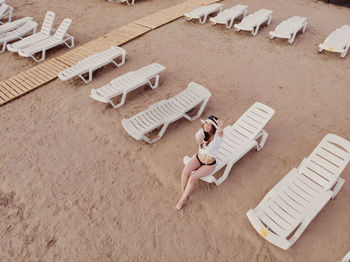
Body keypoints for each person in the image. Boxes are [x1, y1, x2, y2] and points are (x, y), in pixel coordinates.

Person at [174, 115, 224, 211]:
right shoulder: (202, 132)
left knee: (192, 178)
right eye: (206, 123)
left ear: (214, 127)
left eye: (210, 125)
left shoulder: (217, 137)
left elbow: (220, 133)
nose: (206, 126)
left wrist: (220, 129)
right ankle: (184, 193)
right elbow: (197, 136)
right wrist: (199, 139)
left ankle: (182, 200)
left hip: (209, 164)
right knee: (185, 171)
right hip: (198, 158)